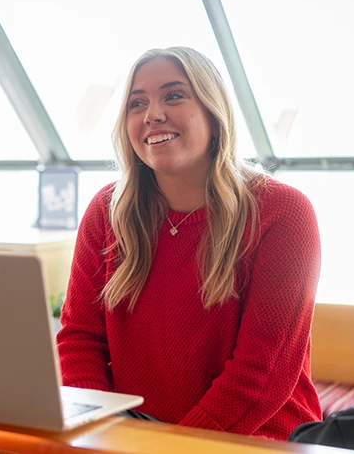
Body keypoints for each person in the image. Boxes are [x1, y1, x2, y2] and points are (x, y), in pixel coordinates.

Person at [56, 46, 322, 440]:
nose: (153, 114)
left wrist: (174, 447)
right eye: (137, 103)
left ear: (215, 116)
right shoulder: (106, 212)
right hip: (134, 439)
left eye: (174, 95)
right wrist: (103, 434)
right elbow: (81, 338)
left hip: (255, 439)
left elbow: (260, 374)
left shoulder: (282, 212)